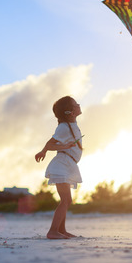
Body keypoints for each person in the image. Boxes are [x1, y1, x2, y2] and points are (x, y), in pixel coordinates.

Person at [35, 96, 83, 239]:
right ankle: (53, 231)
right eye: (76, 104)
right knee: (65, 200)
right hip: (62, 164)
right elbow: (50, 144)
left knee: (67, 200)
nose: (79, 105)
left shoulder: (72, 125)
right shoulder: (63, 127)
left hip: (68, 165)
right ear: (71, 112)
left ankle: (61, 230)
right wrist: (44, 151)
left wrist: (65, 146)